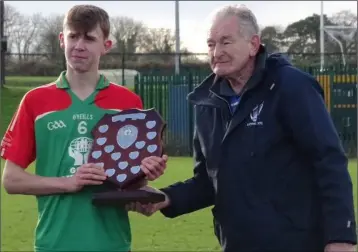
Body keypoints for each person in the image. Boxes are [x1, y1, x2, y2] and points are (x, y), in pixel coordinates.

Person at [128, 4, 357, 252]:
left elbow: (328, 161)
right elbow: (208, 182)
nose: (217, 52)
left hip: (297, 243)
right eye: (210, 44)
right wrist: (165, 198)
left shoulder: (291, 87)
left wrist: (341, 237)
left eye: (226, 42)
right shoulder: (207, 103)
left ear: (253, 44)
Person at [1, 4, 167, 252]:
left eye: (89, 38)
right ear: (61, 40)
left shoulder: (128, 103)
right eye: (73, 36)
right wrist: (69, 182)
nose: (79, 45)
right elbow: (11, 180)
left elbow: (130, 183)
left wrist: (146, 177)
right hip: (54, 243)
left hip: (112, 243)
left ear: (106, 46)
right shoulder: (35, 101)